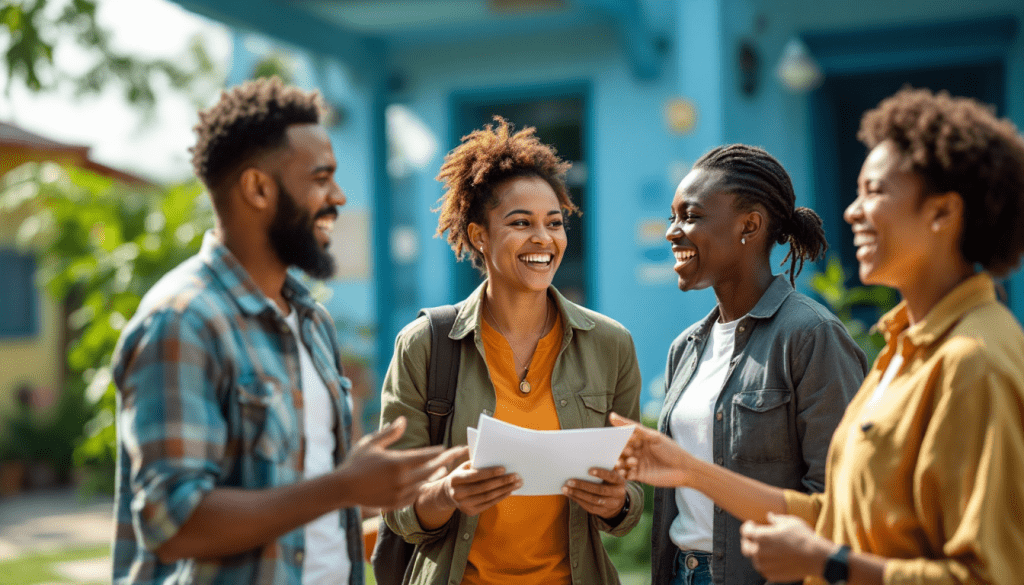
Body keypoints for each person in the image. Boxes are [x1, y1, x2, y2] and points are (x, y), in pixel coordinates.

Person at [614, 87, 1024, 585]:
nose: (852, 211)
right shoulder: (901, 350)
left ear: (941, 214)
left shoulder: (971, 360)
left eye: (874, 191)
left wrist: (827, 564)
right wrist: (687, 470)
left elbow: (988, 574)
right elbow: (835, 513)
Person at [112, 77, 465, 585]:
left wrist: (406, 486)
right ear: (258, 188)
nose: (338, 197)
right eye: (321, 177)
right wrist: (343, 487)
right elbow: (173, 523)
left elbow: (314, 506)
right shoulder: (183, 321)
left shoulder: (309, 320)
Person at [379, 117, 644, 585]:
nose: (543, 239)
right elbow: (397, 504)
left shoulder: (611, 345)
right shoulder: (423, 345)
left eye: (554, 223)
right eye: (521, 223)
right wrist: (447, 493)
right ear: (480, 235)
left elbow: (632, 492)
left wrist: (618, 501)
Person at [651, 143, 868, 585]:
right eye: (673, 217)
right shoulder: (685, 348)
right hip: (680, 571)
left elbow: (838, 494)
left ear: (749, 226)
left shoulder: (811, 335)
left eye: (690, 216)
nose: (673, 231)